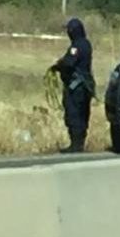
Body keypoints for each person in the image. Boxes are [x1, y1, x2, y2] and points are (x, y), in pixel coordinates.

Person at [50, 18, 95, 153]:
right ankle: (79, 143)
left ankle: (75, 145)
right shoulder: (86, 44)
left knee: (74, 113)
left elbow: (69, 63)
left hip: (77, 87)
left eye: (69, 30)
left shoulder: (77, 46)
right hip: (86, 86)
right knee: (83, 113)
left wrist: (58, 66)